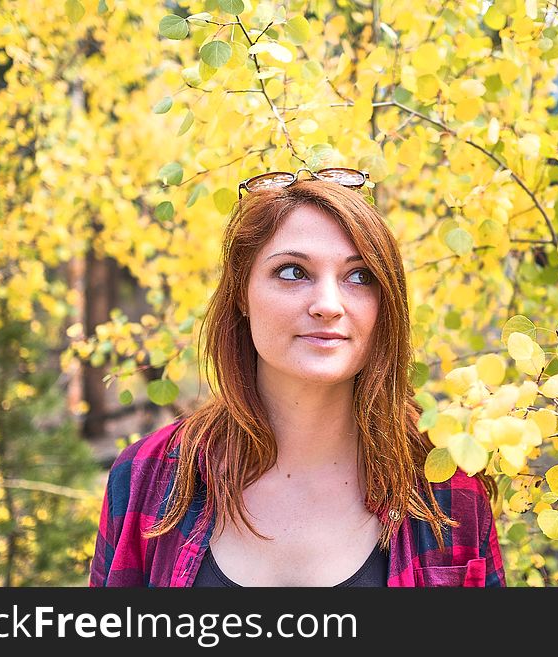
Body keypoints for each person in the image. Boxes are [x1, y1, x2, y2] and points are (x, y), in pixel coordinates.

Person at [89, 168, 506, 587]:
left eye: (359, 276)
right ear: (241, 294)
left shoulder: (447, 492)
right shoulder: (146, 477)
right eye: (292, 272)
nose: (328, 304)